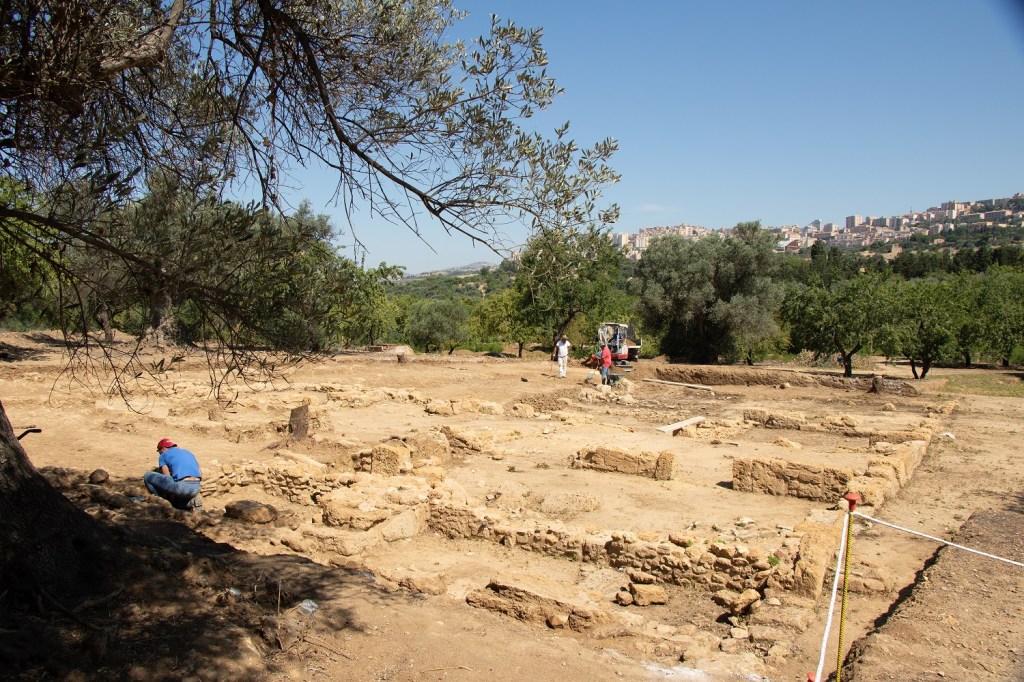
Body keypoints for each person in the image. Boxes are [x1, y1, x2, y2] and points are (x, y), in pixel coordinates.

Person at [143, 438, 203, 510]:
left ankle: (161, 501)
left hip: (182, 487)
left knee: (148, 476)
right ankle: (192, 502)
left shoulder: (163, 455)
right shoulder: (188, 452)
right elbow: (200, 473)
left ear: (163, 448)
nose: (159, 453)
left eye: (159, 451)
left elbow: (167, 476)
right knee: (175, 502)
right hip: (196, 487)